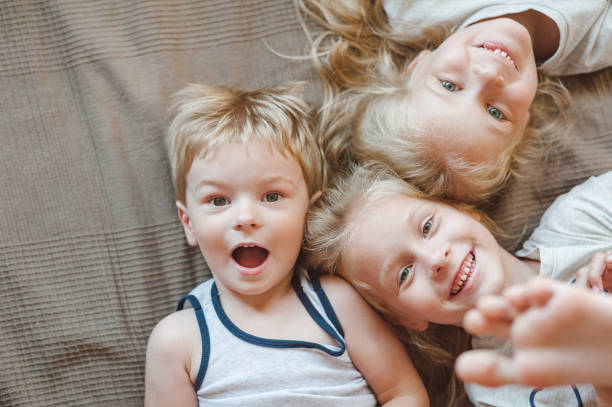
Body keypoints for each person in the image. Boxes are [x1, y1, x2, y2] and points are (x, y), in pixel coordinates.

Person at [144, 82, 429, 406]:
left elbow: (403, 394)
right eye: (218, 200)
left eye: (272, 196)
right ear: (189, 224)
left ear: (307, 213)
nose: (246, 217)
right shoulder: (178, 342)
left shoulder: (337, 304)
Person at [304, 163, 612, 406]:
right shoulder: (492, 388)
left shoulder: (581, 221)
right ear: (407, 319)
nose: (435, 259)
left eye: (427, 226)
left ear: (466, 211)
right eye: (404, 274)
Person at [298, 0, 612, 203]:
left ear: (416, 66)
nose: (489, 74)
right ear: (524, 123)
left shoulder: (413, 8)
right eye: (495, 112)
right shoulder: (596, 42)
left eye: (449, 85)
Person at [455, 278, 612, 403]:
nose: (436, 259)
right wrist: (606, 389)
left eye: (430, 235)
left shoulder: (565, 242)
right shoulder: (486, 388)